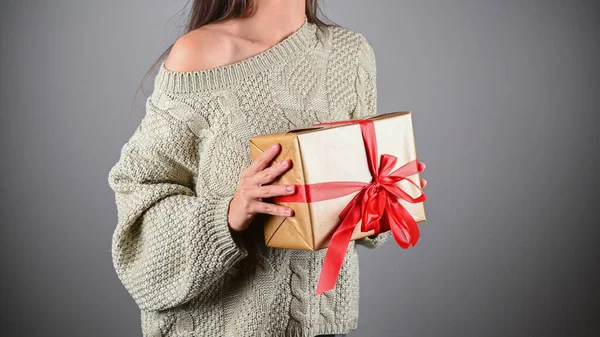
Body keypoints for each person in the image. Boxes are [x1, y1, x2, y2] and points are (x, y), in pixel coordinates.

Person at [107, 0, 394, 336]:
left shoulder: (352, 54)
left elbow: (365, 212)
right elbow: (138, 195)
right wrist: (227, 215)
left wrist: (388, 196)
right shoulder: (199, 54)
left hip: (320, 327)